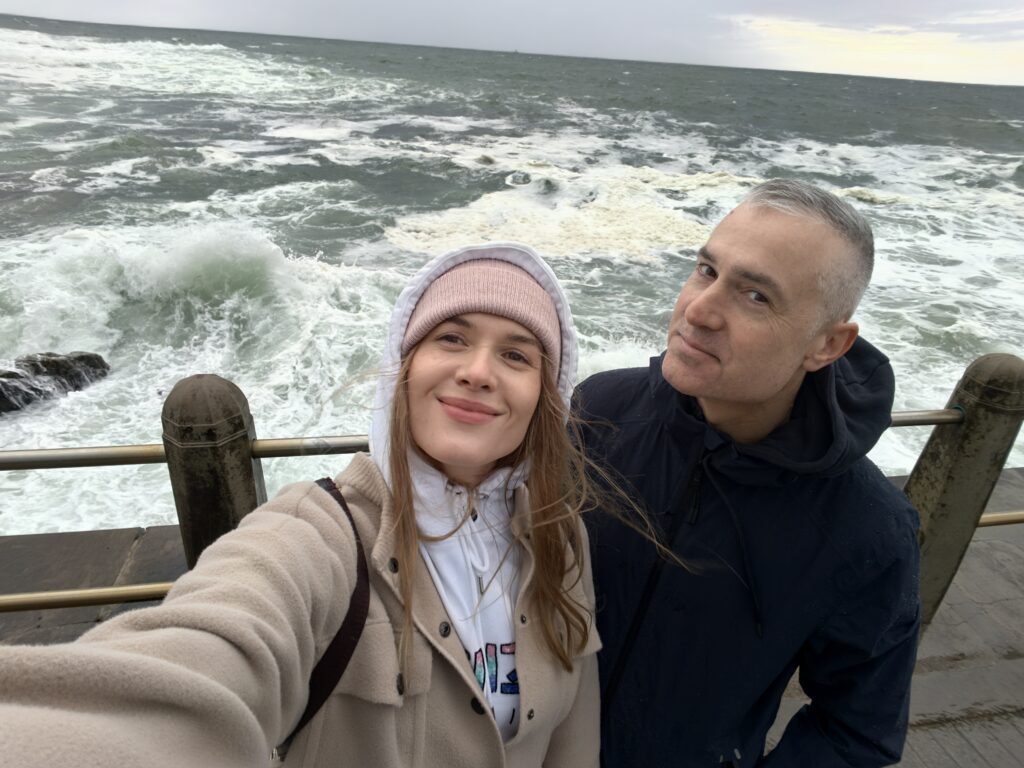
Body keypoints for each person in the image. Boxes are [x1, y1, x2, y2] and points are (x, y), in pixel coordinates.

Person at [0, 243, 601, 768]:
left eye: (517, 355)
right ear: (404, 366)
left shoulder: (558, 535)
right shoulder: (316, 536)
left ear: (545, 397)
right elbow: (200, 659)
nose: (478, 371)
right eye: (451, 338)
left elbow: (575, 741)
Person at [576, 180, 921, 767]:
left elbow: (856, 731)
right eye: (706, 271)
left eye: (755, 296)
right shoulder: (600, 411)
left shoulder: (867, 531)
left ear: (828, 344)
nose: (698, 310)